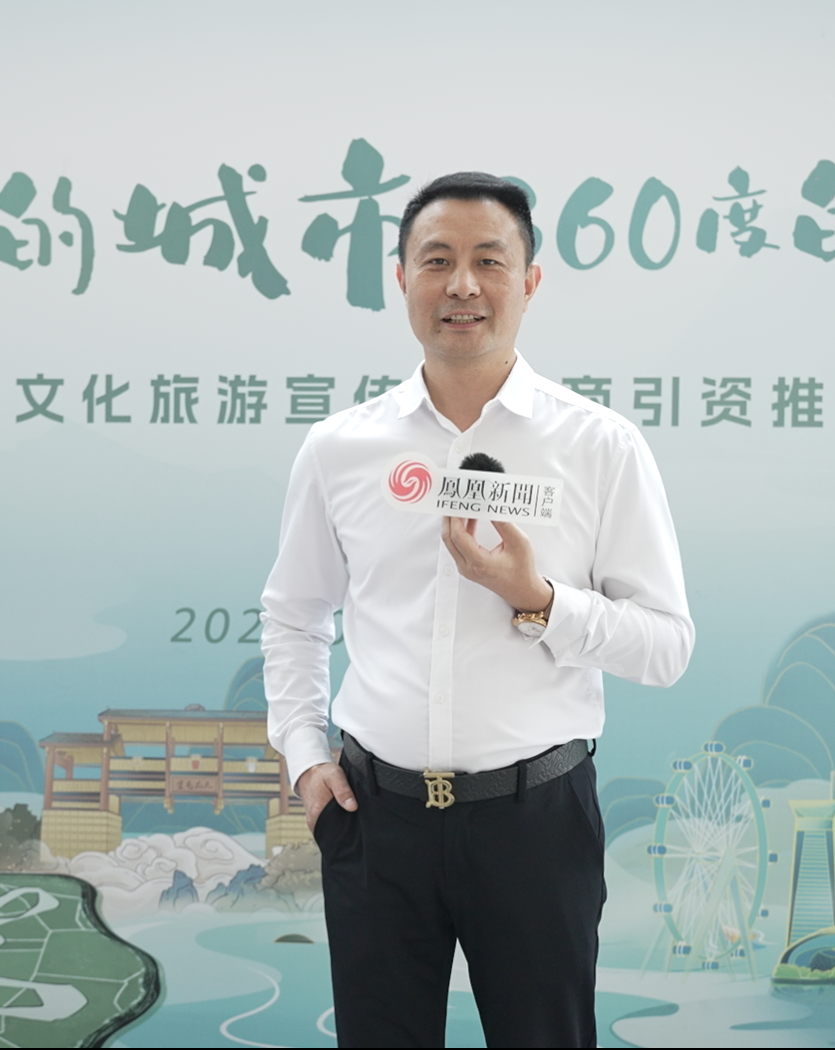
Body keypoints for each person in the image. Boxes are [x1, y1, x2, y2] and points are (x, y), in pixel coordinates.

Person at [260, 171, 694, 1047]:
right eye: (437, 261)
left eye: (488, 261)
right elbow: (294, 613)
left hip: (535, 823)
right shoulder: (341, 447)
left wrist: (538, 601)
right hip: (376, 820)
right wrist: (304, 758)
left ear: (528, 282)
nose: (462, 284)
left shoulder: (598, 445)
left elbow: (665, 647)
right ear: (401, 279)